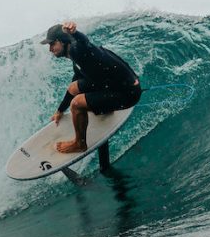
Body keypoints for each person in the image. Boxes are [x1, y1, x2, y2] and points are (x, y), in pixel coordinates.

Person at [41, 21, 141, 153]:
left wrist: (74, 33)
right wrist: (60, 111)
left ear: (63, 41)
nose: (50, 49)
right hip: (113, 84)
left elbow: (85, 42)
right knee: (73, 87)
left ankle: (79, 144)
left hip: (127, 93)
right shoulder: (74, 57)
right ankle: (105, 108)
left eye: (52, 44)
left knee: (76, 104)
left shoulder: (78, 49)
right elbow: (73, 86)